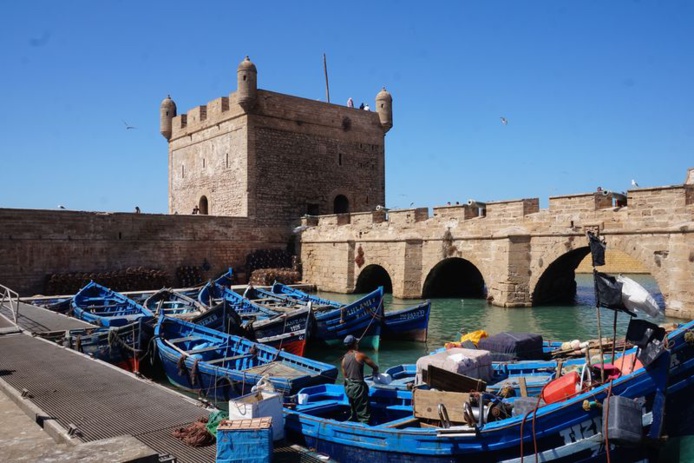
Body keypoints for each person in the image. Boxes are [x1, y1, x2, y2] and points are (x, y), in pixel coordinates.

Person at [341, 335, 379, 424]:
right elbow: (375, 366)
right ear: (355, 344)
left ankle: (353, 426)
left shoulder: (343, 359)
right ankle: (364, 429)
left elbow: (345, 376)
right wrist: (375, 372)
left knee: (353, 409)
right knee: (363, 412)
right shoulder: (360, 355)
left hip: (348, 387)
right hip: (358, 388)